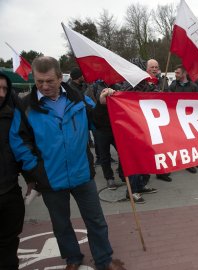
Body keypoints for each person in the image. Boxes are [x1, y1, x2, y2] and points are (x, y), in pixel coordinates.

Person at [9, 56, 125, 270]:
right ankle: (72, 258)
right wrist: (35, 170)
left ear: (60, 77)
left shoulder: (78, 98)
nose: (45, 86)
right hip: (50, 179)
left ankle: (104, 259)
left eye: (50, 81)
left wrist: (101, 104)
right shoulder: (25, 106)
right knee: (61, 225)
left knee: (96, 220)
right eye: (39, 81)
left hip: (82, 173)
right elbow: (19, 141)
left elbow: (97, 123)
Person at [0, 72, 27, 270]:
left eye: (4, 89)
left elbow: (21, 148)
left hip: (9, 190)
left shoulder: (12, 115)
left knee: (10, 242)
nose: (1, 94)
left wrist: (32, 178)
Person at [169, 65, 198, 173]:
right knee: (178, 141)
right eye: (175, 72)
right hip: (176, 119)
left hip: (190, 119)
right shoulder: (172, 86)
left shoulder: (194, 87)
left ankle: (190, 163)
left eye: (177, 73)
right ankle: (179, 160)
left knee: (190, 142)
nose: (175, 75)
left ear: (184, 73)